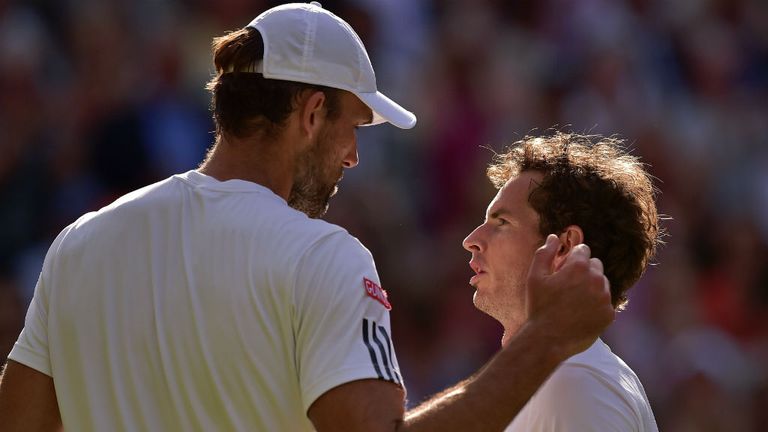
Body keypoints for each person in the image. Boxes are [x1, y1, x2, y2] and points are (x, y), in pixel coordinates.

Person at [0, 3, 614, 431]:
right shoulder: (324, 257)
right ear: (312, 112)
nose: (353, 156)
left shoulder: (80, 243)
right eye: (353, 128)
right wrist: (546, 338)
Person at [463, 132, 662, 431]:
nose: (471, 240)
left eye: (501, 222)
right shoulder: (567, 379)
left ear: (564, 247)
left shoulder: (576, 384)